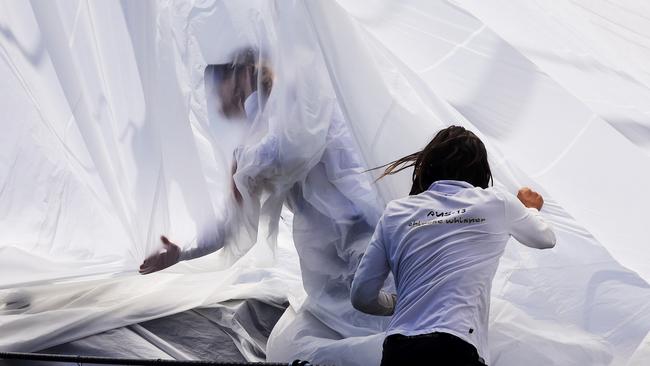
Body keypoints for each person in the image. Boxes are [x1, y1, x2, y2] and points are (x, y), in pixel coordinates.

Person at [139, 48, 390, 361]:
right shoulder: (261, 132)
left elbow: (289, 150)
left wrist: (244, 164)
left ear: (244, 74)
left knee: (373, 334)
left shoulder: (299, 101)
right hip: (329, 267)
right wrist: (182, 252)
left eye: (222, 89)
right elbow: (235, 221)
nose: (219, 103)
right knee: (299, 346)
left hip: (360, 241)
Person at [350, 126, 556, 366]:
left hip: (399, 348)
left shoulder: (396, 212)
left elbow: (361, 296)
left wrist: (404, 300)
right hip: (454, 345)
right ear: (480, 171)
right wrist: (529, 207)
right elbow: (545, 238)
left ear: (426, 167)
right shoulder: (496, 202)